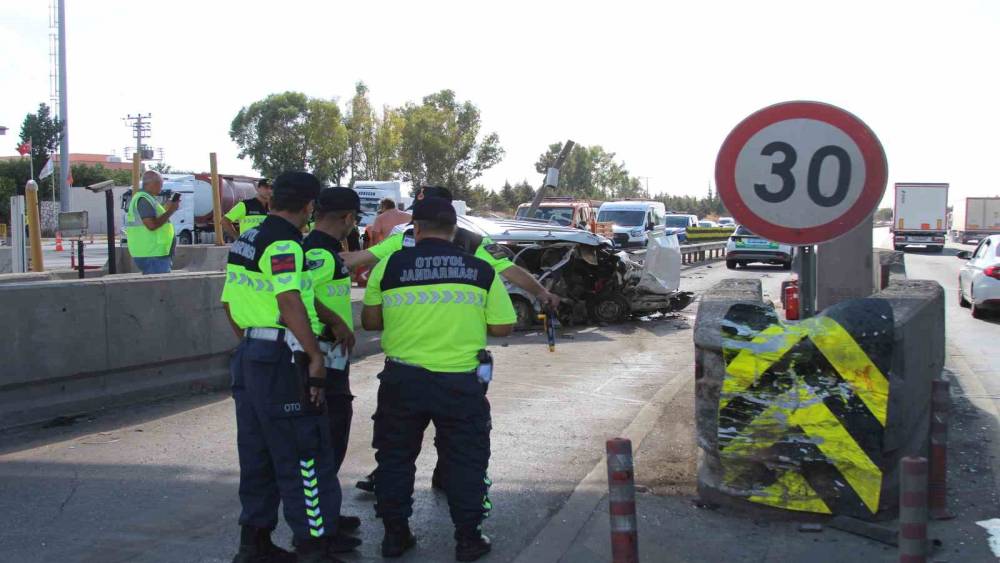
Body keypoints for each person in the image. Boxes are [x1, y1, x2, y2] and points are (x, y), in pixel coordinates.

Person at [344, 186, 558, 494]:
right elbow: (510, 273)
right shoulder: (468, 241)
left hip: (408, 361)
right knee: (458, 431)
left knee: (399, 439)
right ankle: (448, 481)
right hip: (459, 365)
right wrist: (541, 293)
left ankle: (400, 483)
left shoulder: (411, 237)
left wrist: (315, 261)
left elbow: (361, 259)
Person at [362, 196, 515, 561]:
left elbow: (370, 322)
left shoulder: (390, 266)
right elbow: (502, 326)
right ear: (454, 230)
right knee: (466, 460)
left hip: (402, 380)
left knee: (395, 459)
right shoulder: (480, 269)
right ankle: (468, 538)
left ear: (415, 228)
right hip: (460, 383)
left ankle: (394, 536)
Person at [221, 171, 346, 563]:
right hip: (283, 359)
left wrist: (255, 342)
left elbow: (228, 303)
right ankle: (314, 548)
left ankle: (254, 544)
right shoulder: (285, 243)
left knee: (257, 453)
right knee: (305, 453)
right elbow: (289, 300)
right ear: (309, 206)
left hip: (251, 355)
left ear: (272, 200)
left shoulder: (247, 238)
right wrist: (314, 355)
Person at [302, 188, 366, 554]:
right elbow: (296, 296)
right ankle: (320, 525)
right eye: (354, 219)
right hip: (322, 356)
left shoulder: (321, 249)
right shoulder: (319, 253)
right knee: (327, 440)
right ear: (348, 218)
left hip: (330, 356)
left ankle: (328, 513)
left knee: (331, 439)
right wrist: (334, 324)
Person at [125, 171, 177, 274]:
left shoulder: (147, 199)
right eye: (160, 184)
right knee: (159, 283)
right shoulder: (144, 199)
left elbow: (155, 219)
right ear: (153, 183)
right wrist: (171, 210)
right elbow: (152, 225)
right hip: (153, 254)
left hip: (152, 253)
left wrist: (167, 209)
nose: (161, 187)